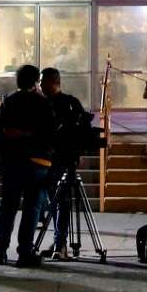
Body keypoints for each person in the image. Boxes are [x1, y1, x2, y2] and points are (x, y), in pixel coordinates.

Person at [0, 63, 54, 267]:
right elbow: (50, 133)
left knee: (8, 207)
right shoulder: (43, 103)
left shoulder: (9, 102)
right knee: (31, 209)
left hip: (12, 163)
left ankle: (0, 251)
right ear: (36, 82)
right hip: (37, 163)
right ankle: (24, 252)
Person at [39, 67, 91, 258]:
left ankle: (60, 243)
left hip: (62, 160)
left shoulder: (68, 104)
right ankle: (58, 242)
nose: (40, 85)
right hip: (46, 159)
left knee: (61, 202)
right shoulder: (43, 103)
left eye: (43, 81)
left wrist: (78, 154)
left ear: (54, 82)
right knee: (54, 201)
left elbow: (82, 131)